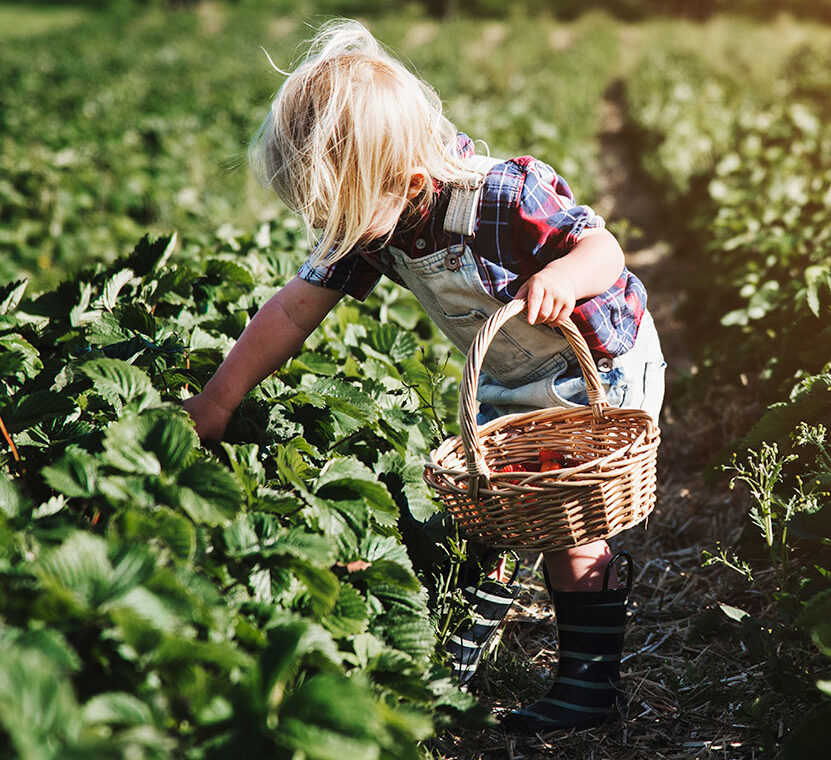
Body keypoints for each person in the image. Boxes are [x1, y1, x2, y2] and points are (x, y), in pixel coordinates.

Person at [182, 19, 665, 733]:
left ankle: (590, 688)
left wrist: (564, 275)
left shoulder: (504, 197)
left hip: (591, 372)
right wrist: (220, 399)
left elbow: (603, 247)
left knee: (569, 525)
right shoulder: (375, 218)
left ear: (407, 184)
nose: (336, 235)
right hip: (506, 378)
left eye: (341, 219)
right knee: (488, 507)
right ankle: (456, 667)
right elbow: (292, 311)